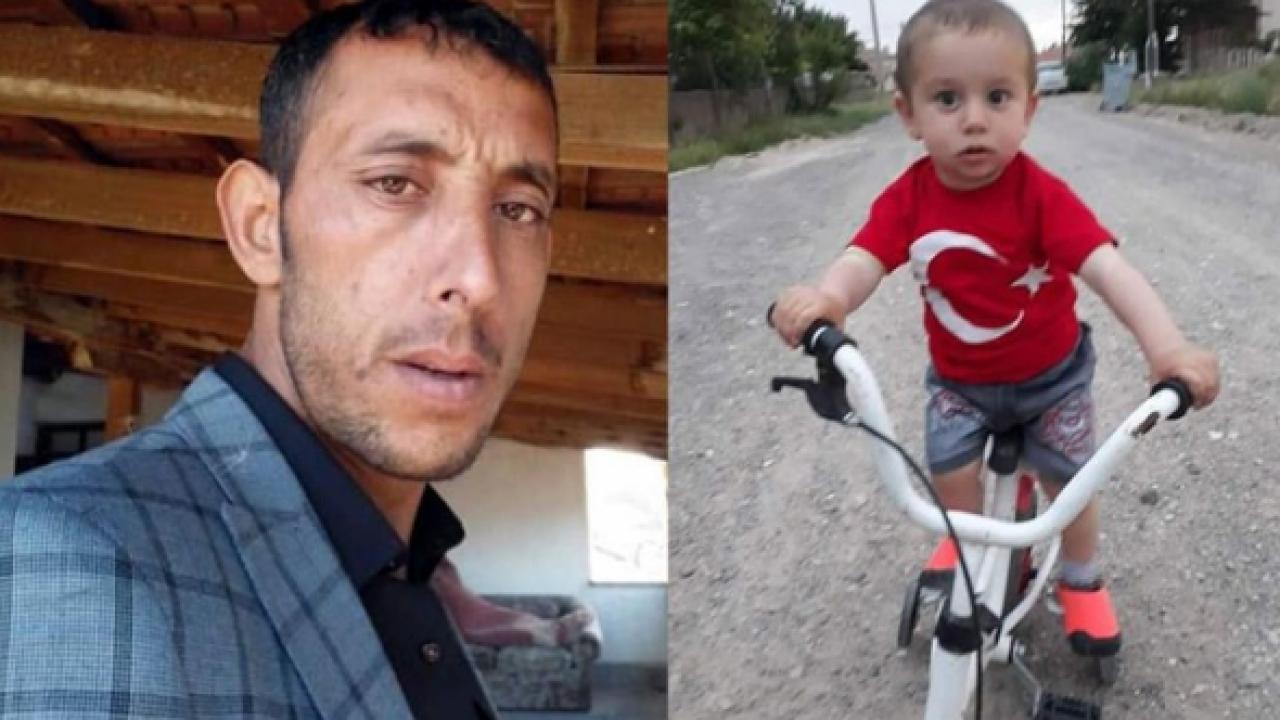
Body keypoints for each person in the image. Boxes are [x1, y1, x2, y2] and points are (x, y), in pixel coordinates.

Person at [0, 1, 559, 717]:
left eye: (518, 209)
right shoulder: (73, 554)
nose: (479, 279)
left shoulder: (403, 562)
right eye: (395, 184)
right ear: (261, 228)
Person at [771, 0, 1220, 660]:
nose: (974, 119)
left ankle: (1080, 577)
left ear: (1029, 110)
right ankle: (963, 536)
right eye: (947, 99)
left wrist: (1168, 347)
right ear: (908, 114)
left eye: (997, 97)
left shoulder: (1041, 196)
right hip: (962, 383)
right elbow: (864, 258)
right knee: (949, 473)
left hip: (1052, 380)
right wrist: (829, 297)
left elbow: (1110, 271)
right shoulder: (910, 198)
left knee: (1070, 485)